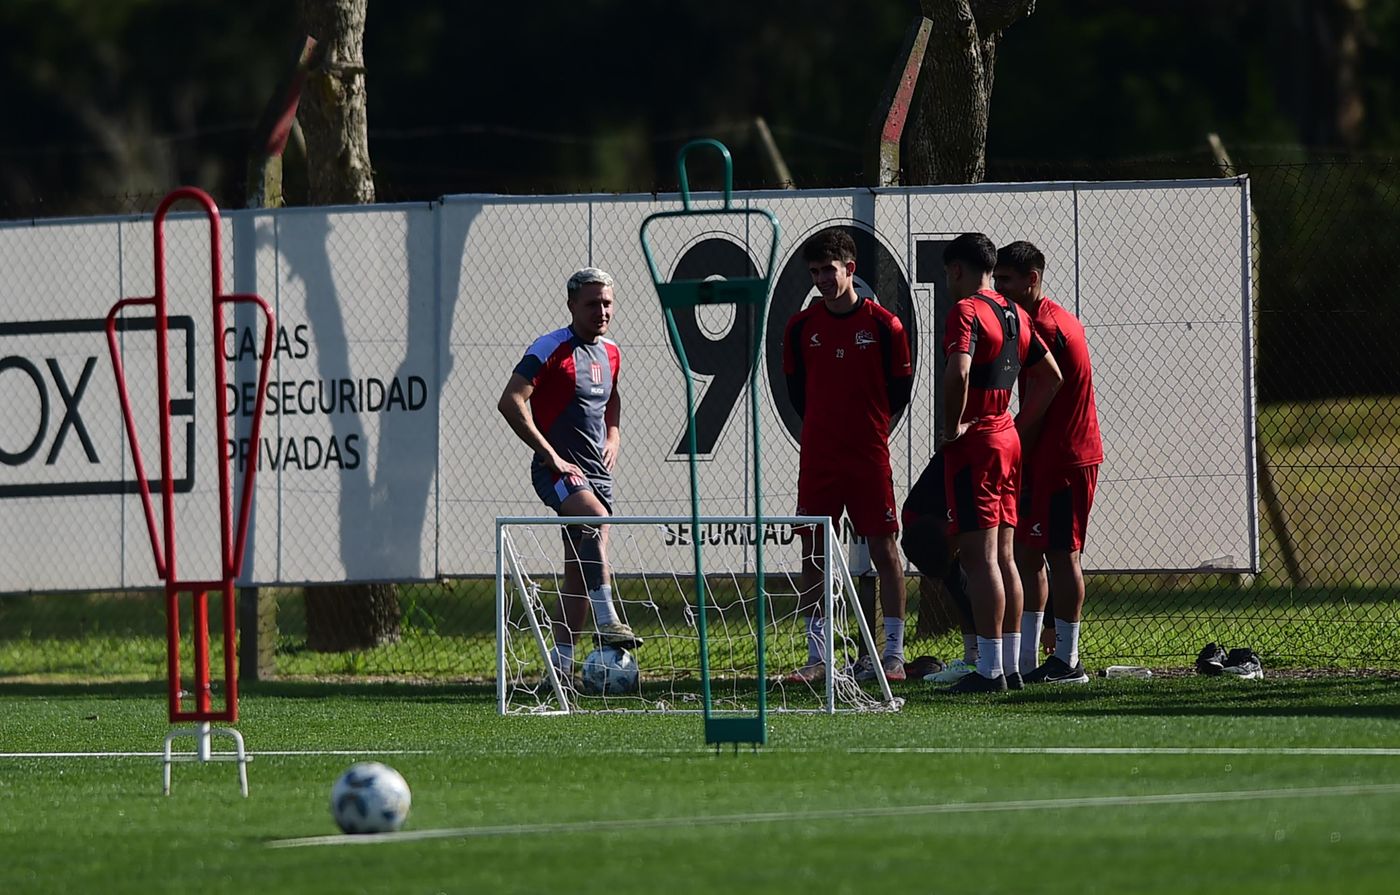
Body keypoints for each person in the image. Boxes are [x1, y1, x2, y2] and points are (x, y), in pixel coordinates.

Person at [782, 230, 913, 684]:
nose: (821, 279)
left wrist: (862, 425)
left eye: (828, 270)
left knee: (883, 546)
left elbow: (898, 392)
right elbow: (797, 392)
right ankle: (819, 656)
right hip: (818, 455)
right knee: (813, 551)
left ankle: (892, 653)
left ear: (850, 269)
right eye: (814, 272)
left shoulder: (884, 325)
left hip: (868, 455)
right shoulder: (801, 327)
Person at [497, 267, 640, 680]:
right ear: (572, 304)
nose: (602, 311)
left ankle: (559, 669)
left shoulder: (610, 351)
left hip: (597, 472)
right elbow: (511, 401)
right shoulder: (550, 347)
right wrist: (549, 453)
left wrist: (613, 436)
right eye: (593, 303)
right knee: (595, 519)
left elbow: (612, 399)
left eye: (607, 303)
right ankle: (608, 619)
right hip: (557, 470)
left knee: (579, 570)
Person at [938, 233, 1061, 693]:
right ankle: (1009, 665)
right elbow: (1051, 377)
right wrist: (1014, 422)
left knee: (979, 556)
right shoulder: (1014, 313)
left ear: (956, 270)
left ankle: (989, 671)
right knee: (1006, 556)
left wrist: (955, 428)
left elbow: (960, 371)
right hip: (1006, 438)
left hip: (979, 443)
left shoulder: (967, 310)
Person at [994, 241, 1103, 684]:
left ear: (1031, 281)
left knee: (1062, 554)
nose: (999, 289)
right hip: (1046, 456)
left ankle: (1068, 660)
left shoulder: (1044, 326)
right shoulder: (1034, 318)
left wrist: (1009, 439)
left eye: (1006, 281)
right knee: (1028, 553)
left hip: (1065, 458)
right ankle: (1026, 660)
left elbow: (1045, 393)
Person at [899, 451, 981, 684]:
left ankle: (1003, 657)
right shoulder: (916, 519)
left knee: (992, 568)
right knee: (957, 583)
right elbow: (955, 581)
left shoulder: (958, 490)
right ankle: (973, 657)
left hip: (979, 464)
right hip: (944, 516)